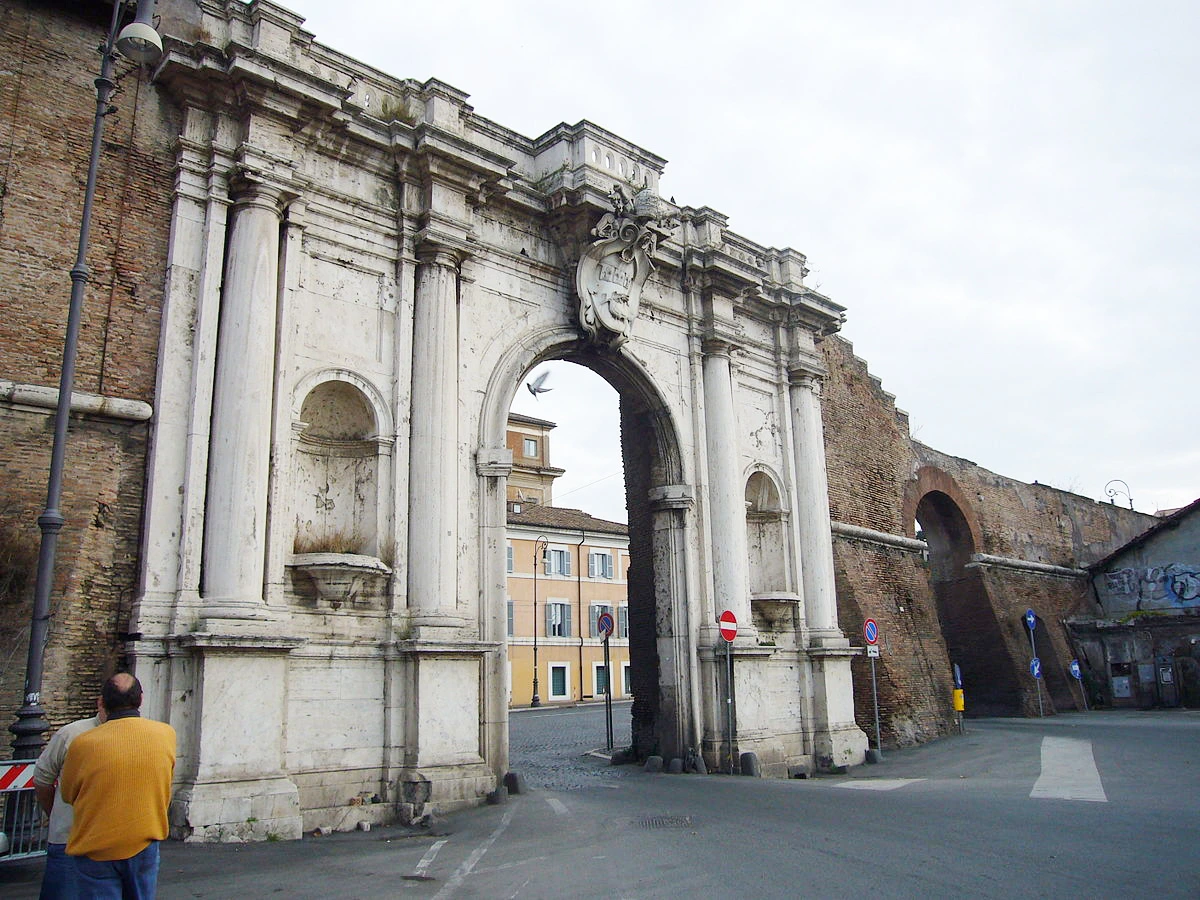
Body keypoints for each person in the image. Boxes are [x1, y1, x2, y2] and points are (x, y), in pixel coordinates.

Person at [59, 673, 176, 899]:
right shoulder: (166, 734)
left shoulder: (82, 744)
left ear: (101, 702)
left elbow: (68, 793)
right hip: (144, 841)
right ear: (141, 699)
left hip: (96, 845)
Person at [33, 696, 105, 899]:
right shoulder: (71, 734)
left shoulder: (142, 736)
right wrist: (55, 815)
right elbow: (43, 779)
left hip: (113, 843)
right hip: (69, 839)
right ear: (100, 703)